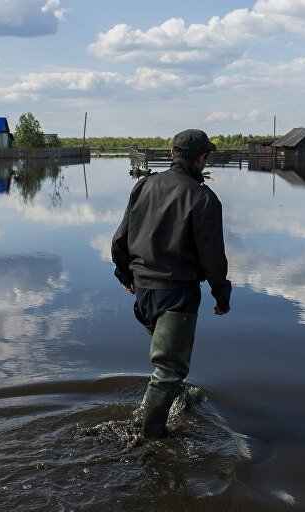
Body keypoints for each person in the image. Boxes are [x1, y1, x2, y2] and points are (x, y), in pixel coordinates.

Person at [111, 129, 232, 439]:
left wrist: (126, 275)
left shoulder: (144, 185)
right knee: (169, 369)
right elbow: (213, 259)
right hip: (176, 295)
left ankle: (179, 401)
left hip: (143, 293)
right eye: (207, 157)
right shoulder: (203, 198)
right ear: (201, 158)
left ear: (173, 153)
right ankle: (146, 436)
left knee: (169, 360)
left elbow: (120, 238)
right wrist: (222, 295)